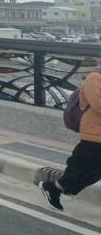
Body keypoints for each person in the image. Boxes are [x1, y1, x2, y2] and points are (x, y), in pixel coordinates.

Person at [39, 64, 101, 211]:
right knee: (79, 166)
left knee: (95, 173)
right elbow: (98, 104)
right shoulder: (95, 77)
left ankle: (57, 188)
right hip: (93, 133)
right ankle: (53, 187)